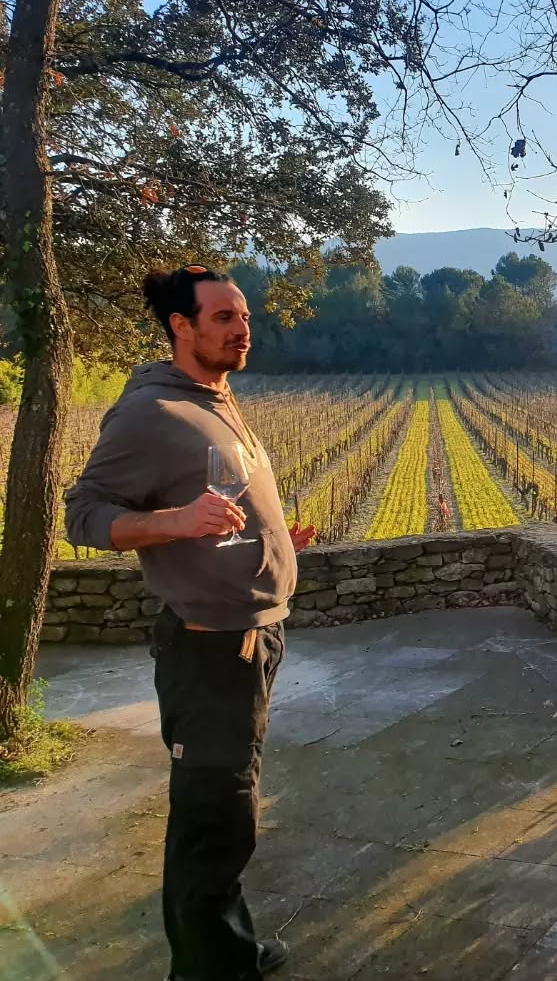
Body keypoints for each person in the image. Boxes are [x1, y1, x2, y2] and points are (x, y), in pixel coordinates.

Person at [65, 265, 316, 981]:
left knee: (227, 812)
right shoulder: (151, 413)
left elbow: (224, 506)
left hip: (250, 638)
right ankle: (208, 970)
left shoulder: (214, 397)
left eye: (243, 316)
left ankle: (222, 950)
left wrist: (272, 544)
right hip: (208, 654)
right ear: (182, 326)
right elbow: (82, 515)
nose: (242, 329)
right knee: (214, 817)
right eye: (223, 319)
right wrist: (174, 521)